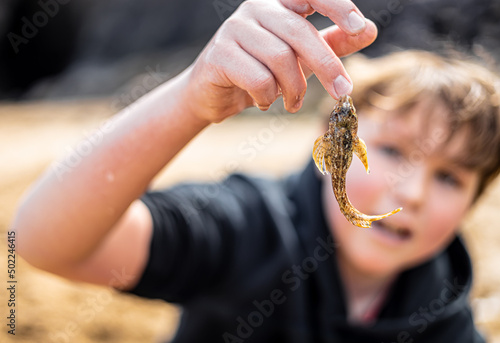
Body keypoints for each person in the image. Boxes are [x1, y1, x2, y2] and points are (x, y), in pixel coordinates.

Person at [13, 0, 499, 342]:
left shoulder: (447, 317)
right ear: (326, 144)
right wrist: (190, 101)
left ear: (473, 203)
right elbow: (41, 240)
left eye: (450, 177)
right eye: (394, 151)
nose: (411, 191)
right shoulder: (243, 225)